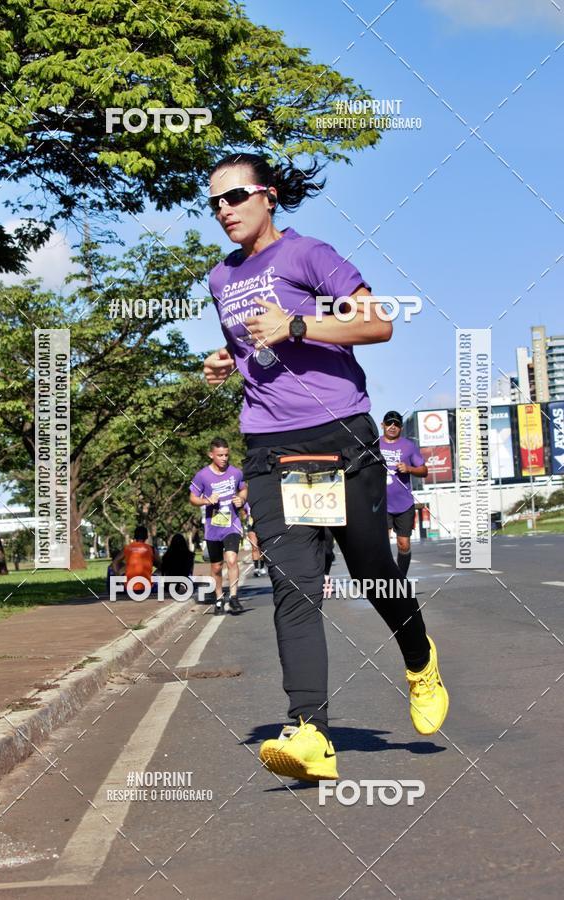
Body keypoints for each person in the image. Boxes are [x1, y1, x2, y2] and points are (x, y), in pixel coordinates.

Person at [203, 152, 449, 782]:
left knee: (373, 572)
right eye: (214, 203)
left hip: (338, 434)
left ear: (269, 196)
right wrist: (227, 361)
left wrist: (299, 323)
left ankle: (420, 660)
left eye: (235, 197)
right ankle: (310, 732)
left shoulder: (310, 254)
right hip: (268, 448)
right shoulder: (219, 279)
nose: (224, 211)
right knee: (294, 585)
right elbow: (256, 347)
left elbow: (377, 323)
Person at [189, 438, 248, 615]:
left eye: (226, 455)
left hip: (232, 524)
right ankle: (219, 598)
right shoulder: (202, 475)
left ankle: (234, 598)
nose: (224, 458)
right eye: (220, 455)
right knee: (216, 566)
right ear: (211, 455)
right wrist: (206, 500)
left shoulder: (236, 473)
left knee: (231, 559)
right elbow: (192, 498)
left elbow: (243, 489)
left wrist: (241, 499)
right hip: (213, 528)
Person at [379, 411, 428, 576]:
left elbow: (424, 470)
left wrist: (409, 468)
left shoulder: (408, 446)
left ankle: (401, 579)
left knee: (403, 544)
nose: (392, 427)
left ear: (401, 427)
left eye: (397, 424)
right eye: (389, 423)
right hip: (381, 503)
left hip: (404, 504)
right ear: (382, 425)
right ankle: (386, 578)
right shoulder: (374, 445)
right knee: (382, 545)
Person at [111, 525, 160, 596]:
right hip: (148, 589)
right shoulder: (152, 549)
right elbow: (161, 565)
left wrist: (118, 578)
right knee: (162, 570)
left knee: (121, 567)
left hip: (129, 588)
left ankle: (120, 585)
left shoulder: (127, 548)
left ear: (135, 536)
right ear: (146, 537)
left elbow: (114, 562)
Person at [243, 501, 266, 577]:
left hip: (260, 524)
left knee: (261, 548)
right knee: (254, 547)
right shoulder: (246, 503)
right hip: (251, 526)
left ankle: (262, 567)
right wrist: (246, 517)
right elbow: (244, 513)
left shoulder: (260, 501)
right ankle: (256, 568)